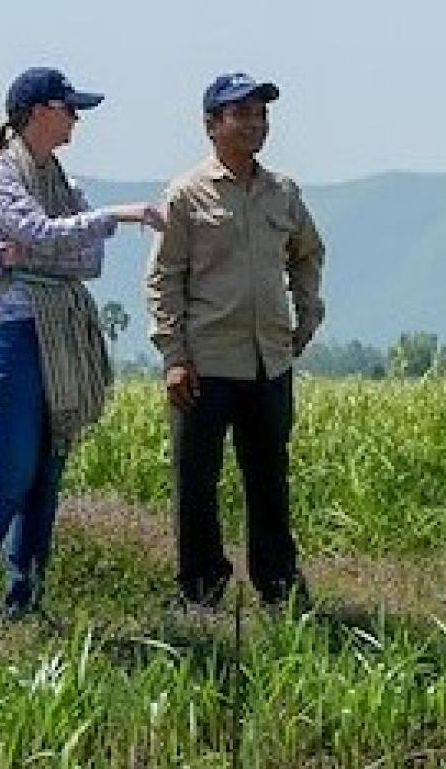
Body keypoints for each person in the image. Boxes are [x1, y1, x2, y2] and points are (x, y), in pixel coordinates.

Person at [0, 67, 162, 629]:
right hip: (14, 336)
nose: (76, 119)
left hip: (58, 335)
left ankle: (25, 598)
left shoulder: (61, 181)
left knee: (47, 473)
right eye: (69, 108)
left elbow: (84, 260)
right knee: (12, 474)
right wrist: (114, 215)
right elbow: (46, 232)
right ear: (40, 111)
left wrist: (33, 254)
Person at [146, 72, 327, 610]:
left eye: (260, 115)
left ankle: (279, 587)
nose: (255, 124)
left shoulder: (284, 193)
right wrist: (173, 356)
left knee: (270, 478)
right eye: (241, 114)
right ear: (212, 125)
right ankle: (200, 592)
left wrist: (307, 311)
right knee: (197, 484)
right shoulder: (185, 195)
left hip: (269, 361)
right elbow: (163, 278)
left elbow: (308, 253)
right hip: (206, 361)